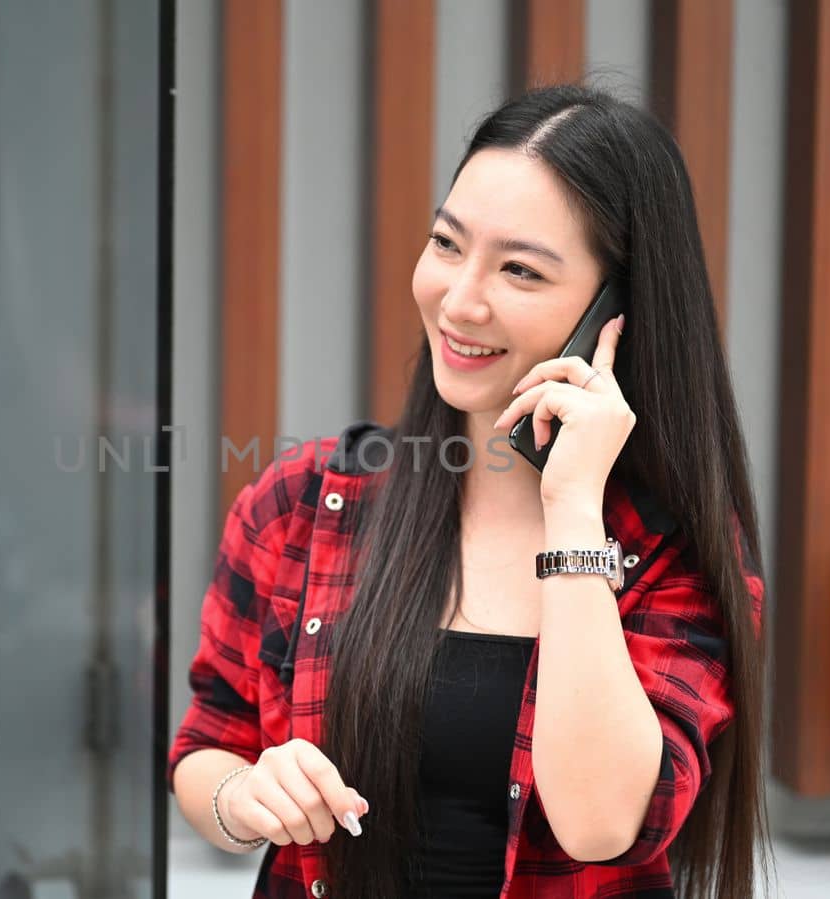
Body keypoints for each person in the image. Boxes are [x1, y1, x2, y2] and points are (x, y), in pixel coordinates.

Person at [168, 83, 769, 899]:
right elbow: (206, 747)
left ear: (613, 313)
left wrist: (571, 508)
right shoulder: (303, 502)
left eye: (519, 269)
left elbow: (601, 823)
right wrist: (243, 799)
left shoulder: (673, 547)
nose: (459, 300)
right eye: (448, 244)